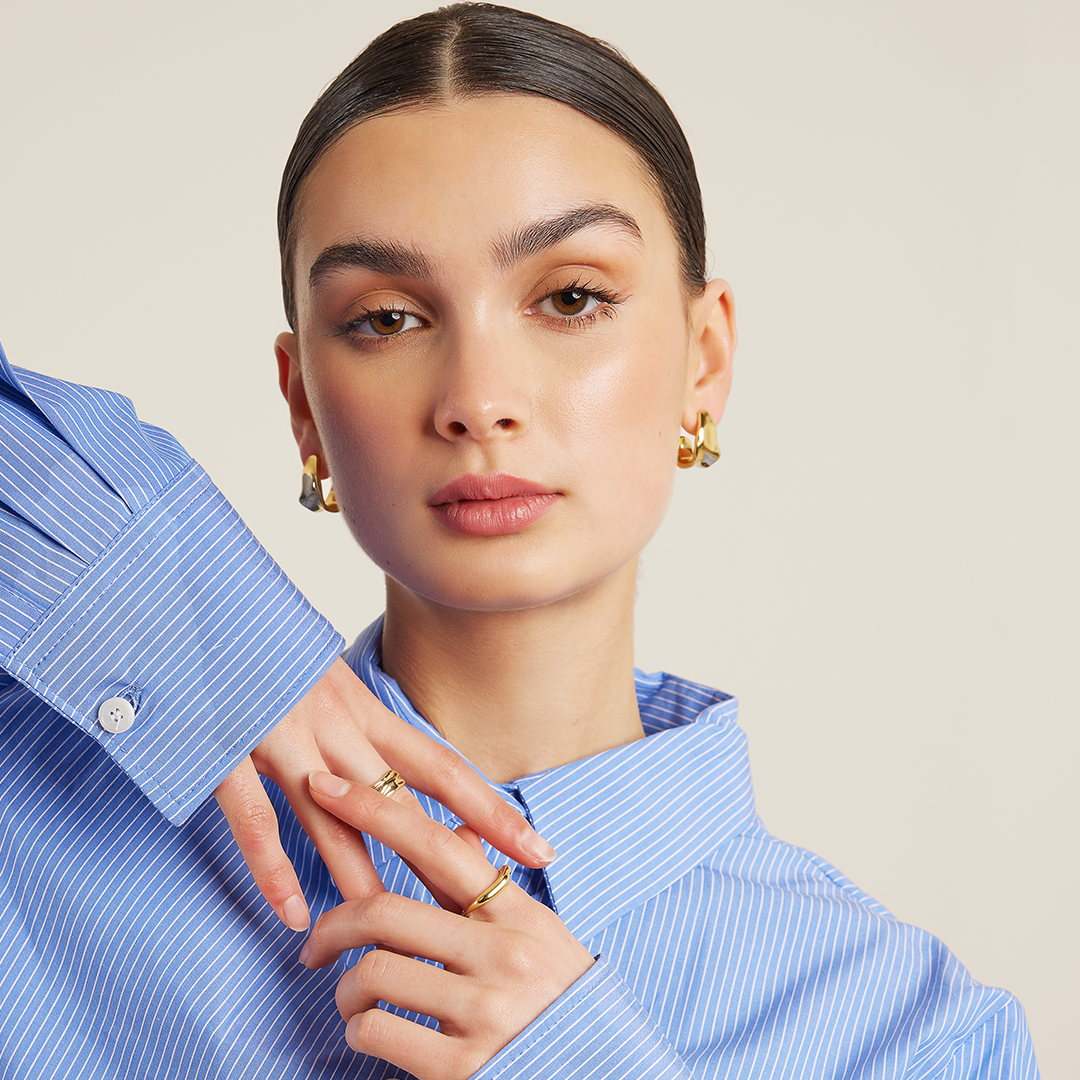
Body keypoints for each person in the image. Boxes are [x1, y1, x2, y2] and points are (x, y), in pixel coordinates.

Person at [0, 5, 1040, 1079]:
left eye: (572, 297)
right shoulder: (30, 819)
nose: (478, 399)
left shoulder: (916, 1033)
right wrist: (196, 621)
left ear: (705, 362)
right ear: (303, 404)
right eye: (387, 318)